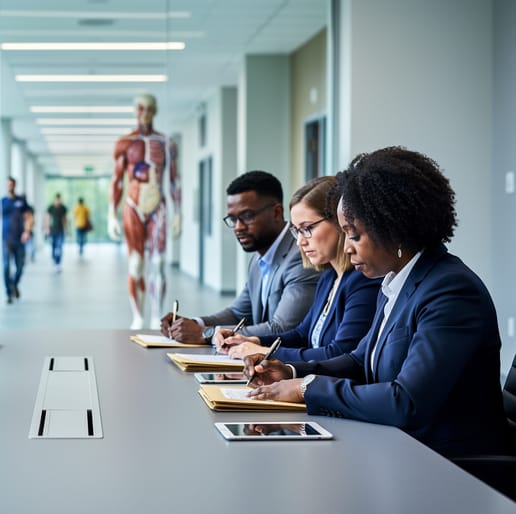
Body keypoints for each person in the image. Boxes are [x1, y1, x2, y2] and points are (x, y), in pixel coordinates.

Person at [244, 146, 507, 458]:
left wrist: (306, 388)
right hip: (400, 447)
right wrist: (289, 372)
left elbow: (406, 401)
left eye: (354, 235)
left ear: (392, 228)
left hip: (451, 463)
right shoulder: (396, 281)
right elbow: (359, 360)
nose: (348, 247)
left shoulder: (450, 290)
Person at [220, 176, 381, 361]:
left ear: (339, 223)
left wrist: (265, 353)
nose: (300, 241)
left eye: (307, 228)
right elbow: (301, 335)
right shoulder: (329, 278)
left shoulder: (362, 281)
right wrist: (252, 340)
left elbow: (340, 353)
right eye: (296, 231)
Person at [161, 170, 320, 344]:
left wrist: (206, 333)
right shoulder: (258, 261)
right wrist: (194, 324)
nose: (238, 227)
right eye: (233, 218)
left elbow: (281, 328)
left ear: (276, 212)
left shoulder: (301, 256)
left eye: (247, 216)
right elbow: (238, 313)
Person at [108, 93, 182, 329]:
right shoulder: (125, 143)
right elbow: (118, 180)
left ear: (155, 110)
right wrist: (112, 213)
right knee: (136, 264)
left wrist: (178, 212)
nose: (145, 113)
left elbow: (173, 180)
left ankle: (156, 315)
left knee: (158, 263)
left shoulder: (166, 143)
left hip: (157, 206)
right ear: (135, 111)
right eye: (141, 108)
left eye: (149, 108)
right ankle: (138, 316)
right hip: (133, 206)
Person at [0, 176, 34, 303]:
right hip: (6, 239)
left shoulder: (21, 202)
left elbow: (28, 218)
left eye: (12, 184)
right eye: (8, 184)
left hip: (20, 239)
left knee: (20, 266)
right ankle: (8, 293)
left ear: (15, 185)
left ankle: (14, 284)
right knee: (6, 266)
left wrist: (27, 232)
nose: (10, 186)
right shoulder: (1, 202)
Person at [45, 193, 68, 272]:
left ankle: (58, 263)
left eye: (59, 200)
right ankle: (54, 260)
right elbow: (47, 218)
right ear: (55, 200)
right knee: (53, 247)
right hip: (52, 230)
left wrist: (66, 229)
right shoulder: (51, 208)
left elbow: (65, 219)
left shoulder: (63, 208)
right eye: (57, 200)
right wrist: (47, 228)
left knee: (60, 246)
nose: (58, 201)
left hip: (60, 230)